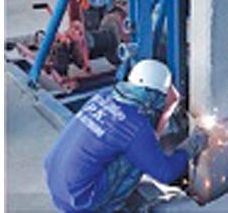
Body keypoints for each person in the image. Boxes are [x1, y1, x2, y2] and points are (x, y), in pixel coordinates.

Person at [44, 59, 208, 212]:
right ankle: (110, 206)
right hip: (82, 201)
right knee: (136, 158)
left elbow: (147, 137)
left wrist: (167, 110)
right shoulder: (135, 125)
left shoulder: (104, 95)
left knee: (134, 149)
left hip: (58, 185)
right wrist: (192, 145)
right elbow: (166, 173)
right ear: (156, 94)